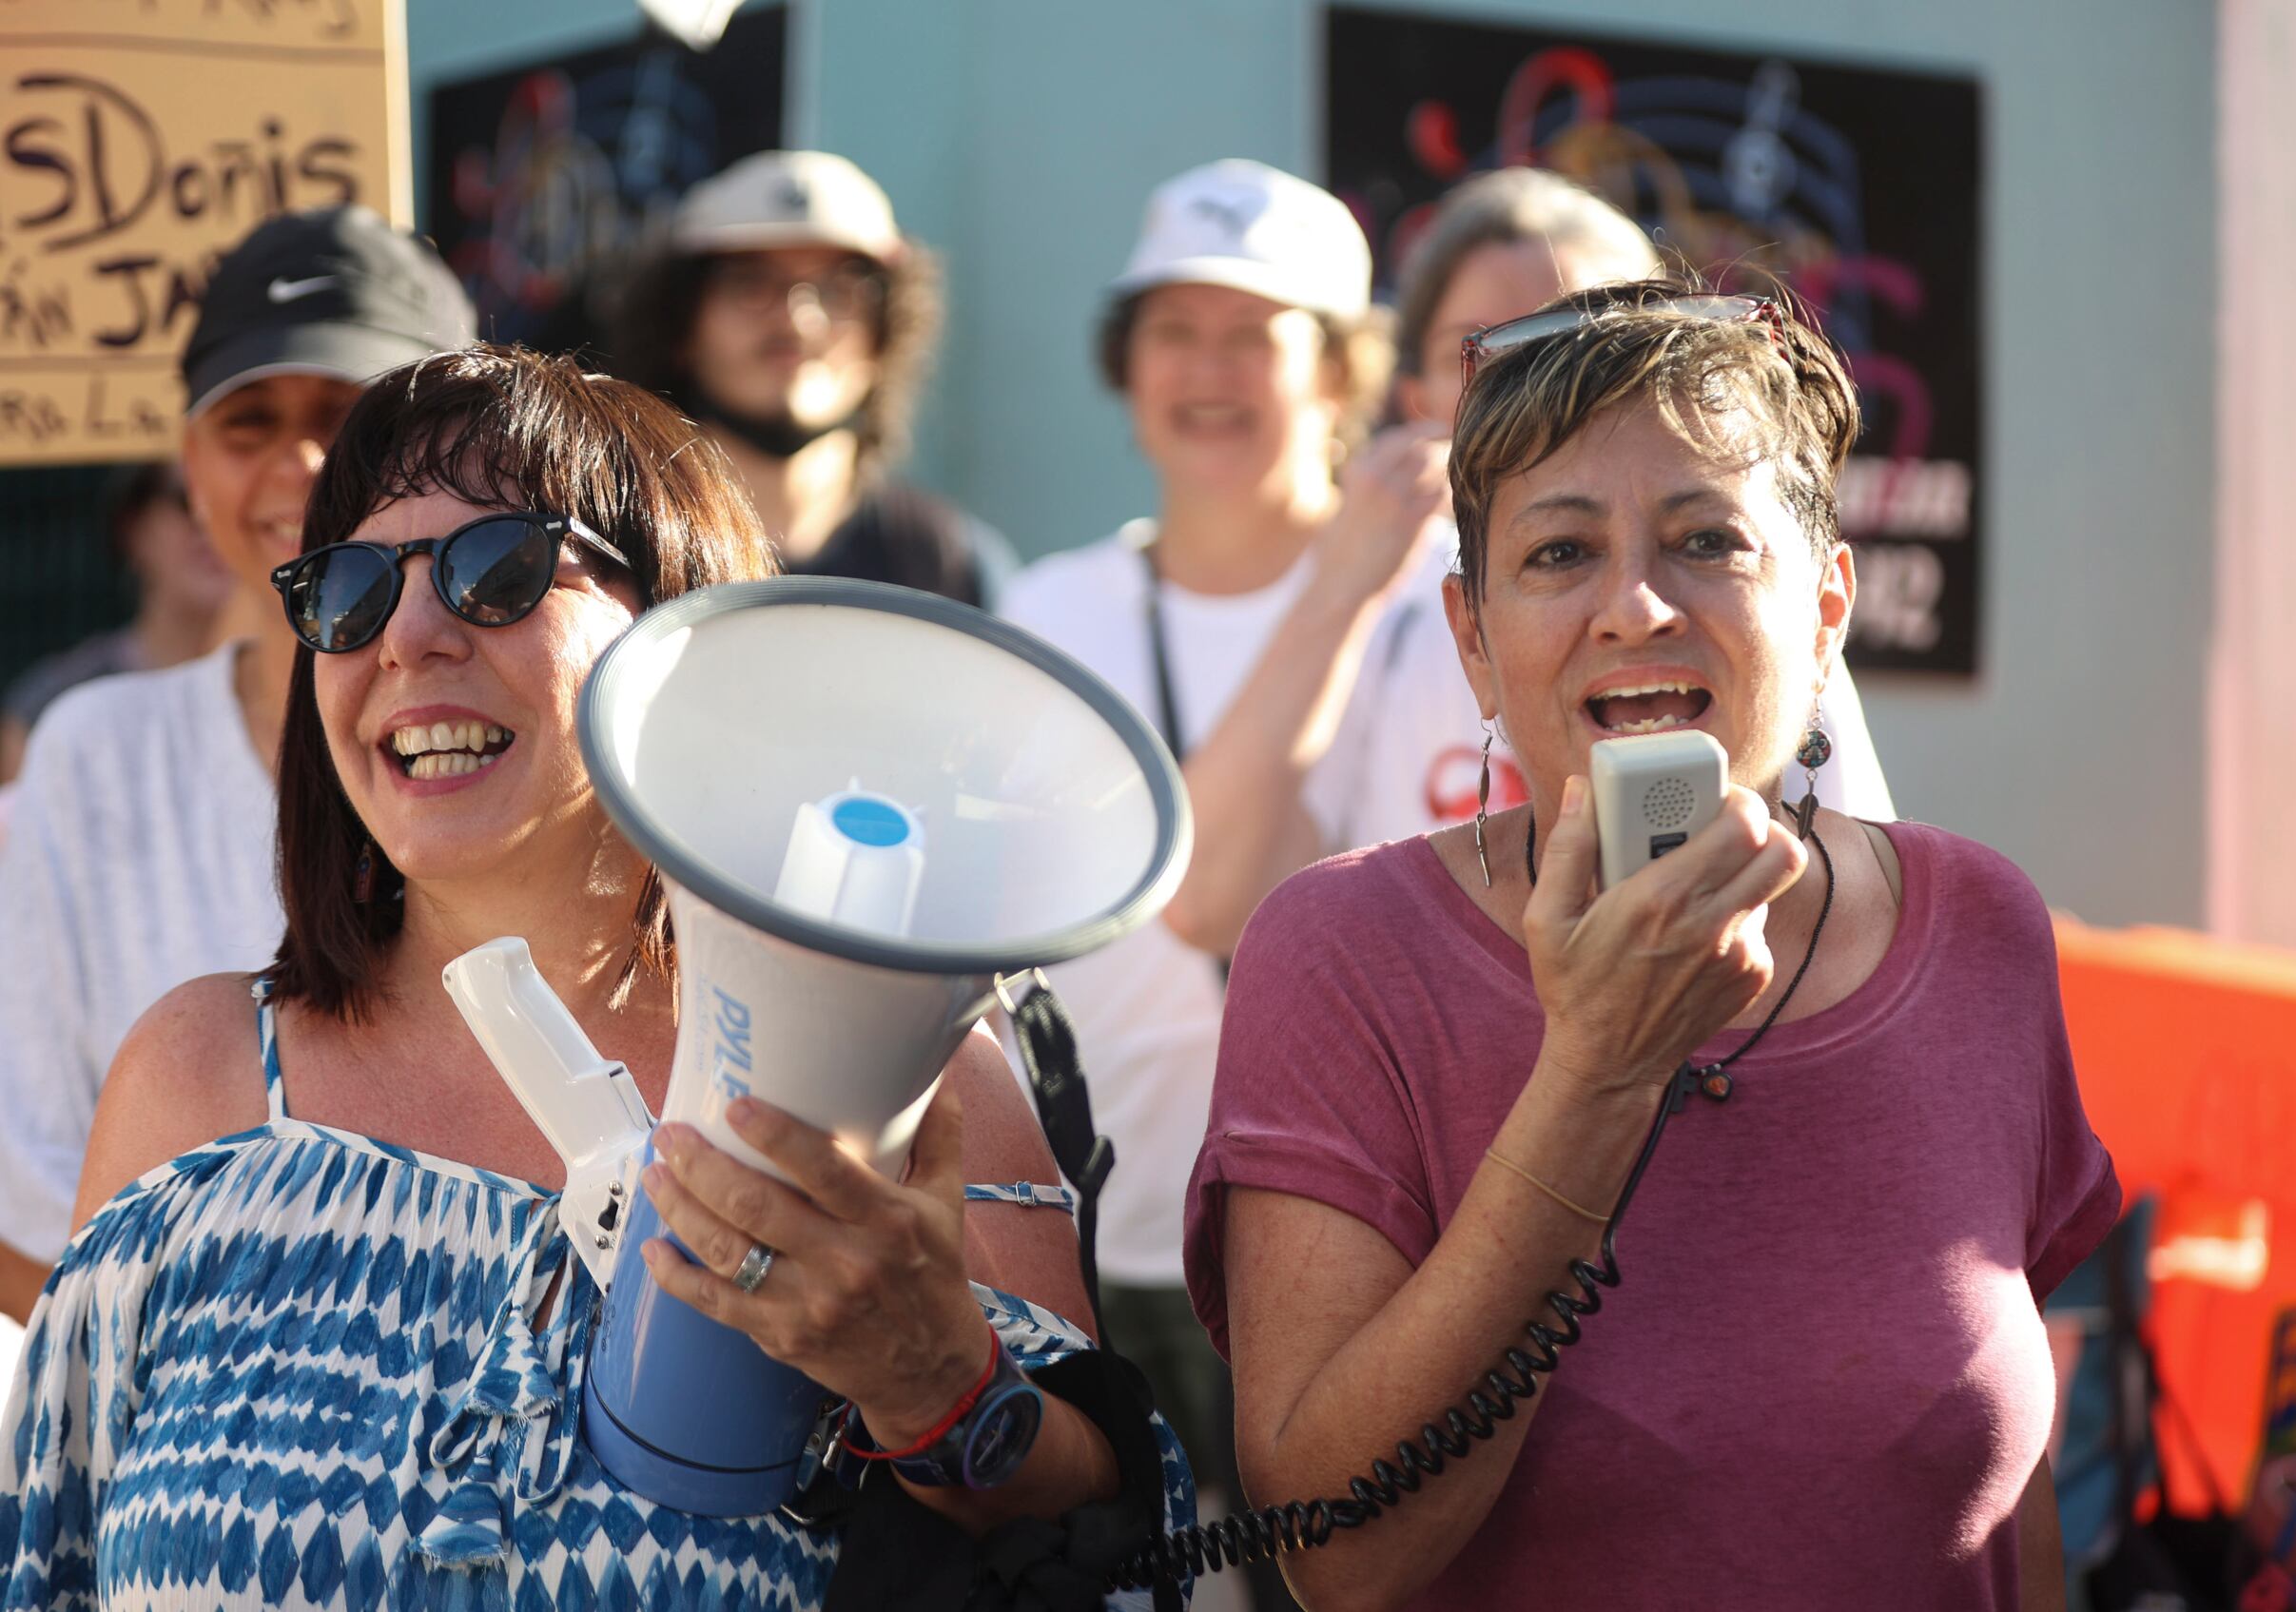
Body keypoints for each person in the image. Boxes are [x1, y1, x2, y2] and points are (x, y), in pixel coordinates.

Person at [0, 345, 1188, 1611]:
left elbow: (1102, 1544)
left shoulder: (899, 1079)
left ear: (680, 628)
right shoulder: (196, 1078)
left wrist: (939, 1384)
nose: (406, 636)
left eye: (497, 568)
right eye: (344, 590)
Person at [1184, 280, 2119, 1610]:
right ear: (1474, 640)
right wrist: (1599, 1070)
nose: (1634, 605)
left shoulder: (1980, 926)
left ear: (1829, 607)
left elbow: (2007, 1503)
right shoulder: (1343, 954)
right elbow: (1341, 1551)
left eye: (1707, 539)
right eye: (1559, 553)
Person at [994, 159, 1445, 1584]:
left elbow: (1236, 889)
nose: (1207, 370)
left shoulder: (1450, 588)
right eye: (1173, 330)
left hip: (1346, 1235)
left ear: (1341, 369)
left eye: (1256, 332)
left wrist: (1347, 579)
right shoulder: (1050, 607)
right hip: (1102, 1221)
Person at [0, 204, 477, 1325]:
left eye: (346, 417)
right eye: (247, 421)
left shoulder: (543, 747)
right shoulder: (97, 755)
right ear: (188, 461)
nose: (300, 465)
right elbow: (27, 1191)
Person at [1373, 165, 1892, 827]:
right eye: (1560, 553)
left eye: (1598, 341)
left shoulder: (1766, 621)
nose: (1547, 391)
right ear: (1470, 630)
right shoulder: (1364, 616)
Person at [607, 149, 1015, 606]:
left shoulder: (953, 566)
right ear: (681, 327)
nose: (798, 321)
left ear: (885, 335)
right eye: (751, 284)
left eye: (841, 290)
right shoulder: (608, 549)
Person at [0, 462, 229, 785]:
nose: (212, 525)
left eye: (231, 505)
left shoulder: (297, 695)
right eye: (188, 501)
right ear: (133, 528)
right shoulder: (49, 702)